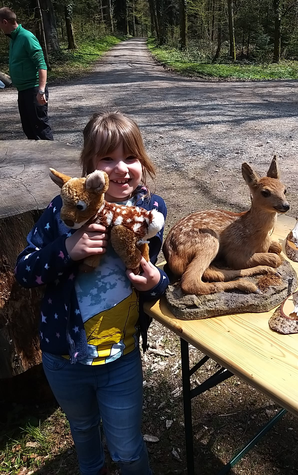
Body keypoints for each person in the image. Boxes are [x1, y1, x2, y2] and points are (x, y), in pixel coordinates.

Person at [15, 112, 169, 474]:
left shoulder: (150, 211)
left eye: (130, 157)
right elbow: (25, 270)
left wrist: (156, 284)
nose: (121, 168)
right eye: (107, 158)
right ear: (90, 166)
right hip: (63, 357)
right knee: (83, 430)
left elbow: (152, 274)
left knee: (129, 452)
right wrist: (67, 250)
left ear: (142, 162)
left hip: (121, 357)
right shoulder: (63, 211)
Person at [0, 7, 53, 140]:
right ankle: (37, 160)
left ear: (4, 22)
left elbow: (41, 65)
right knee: (28, 128)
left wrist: (41, 91)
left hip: (34, 90)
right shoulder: (14, 39)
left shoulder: (26, 37)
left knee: (40, 128)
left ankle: (51, 159)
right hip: (23, 91)